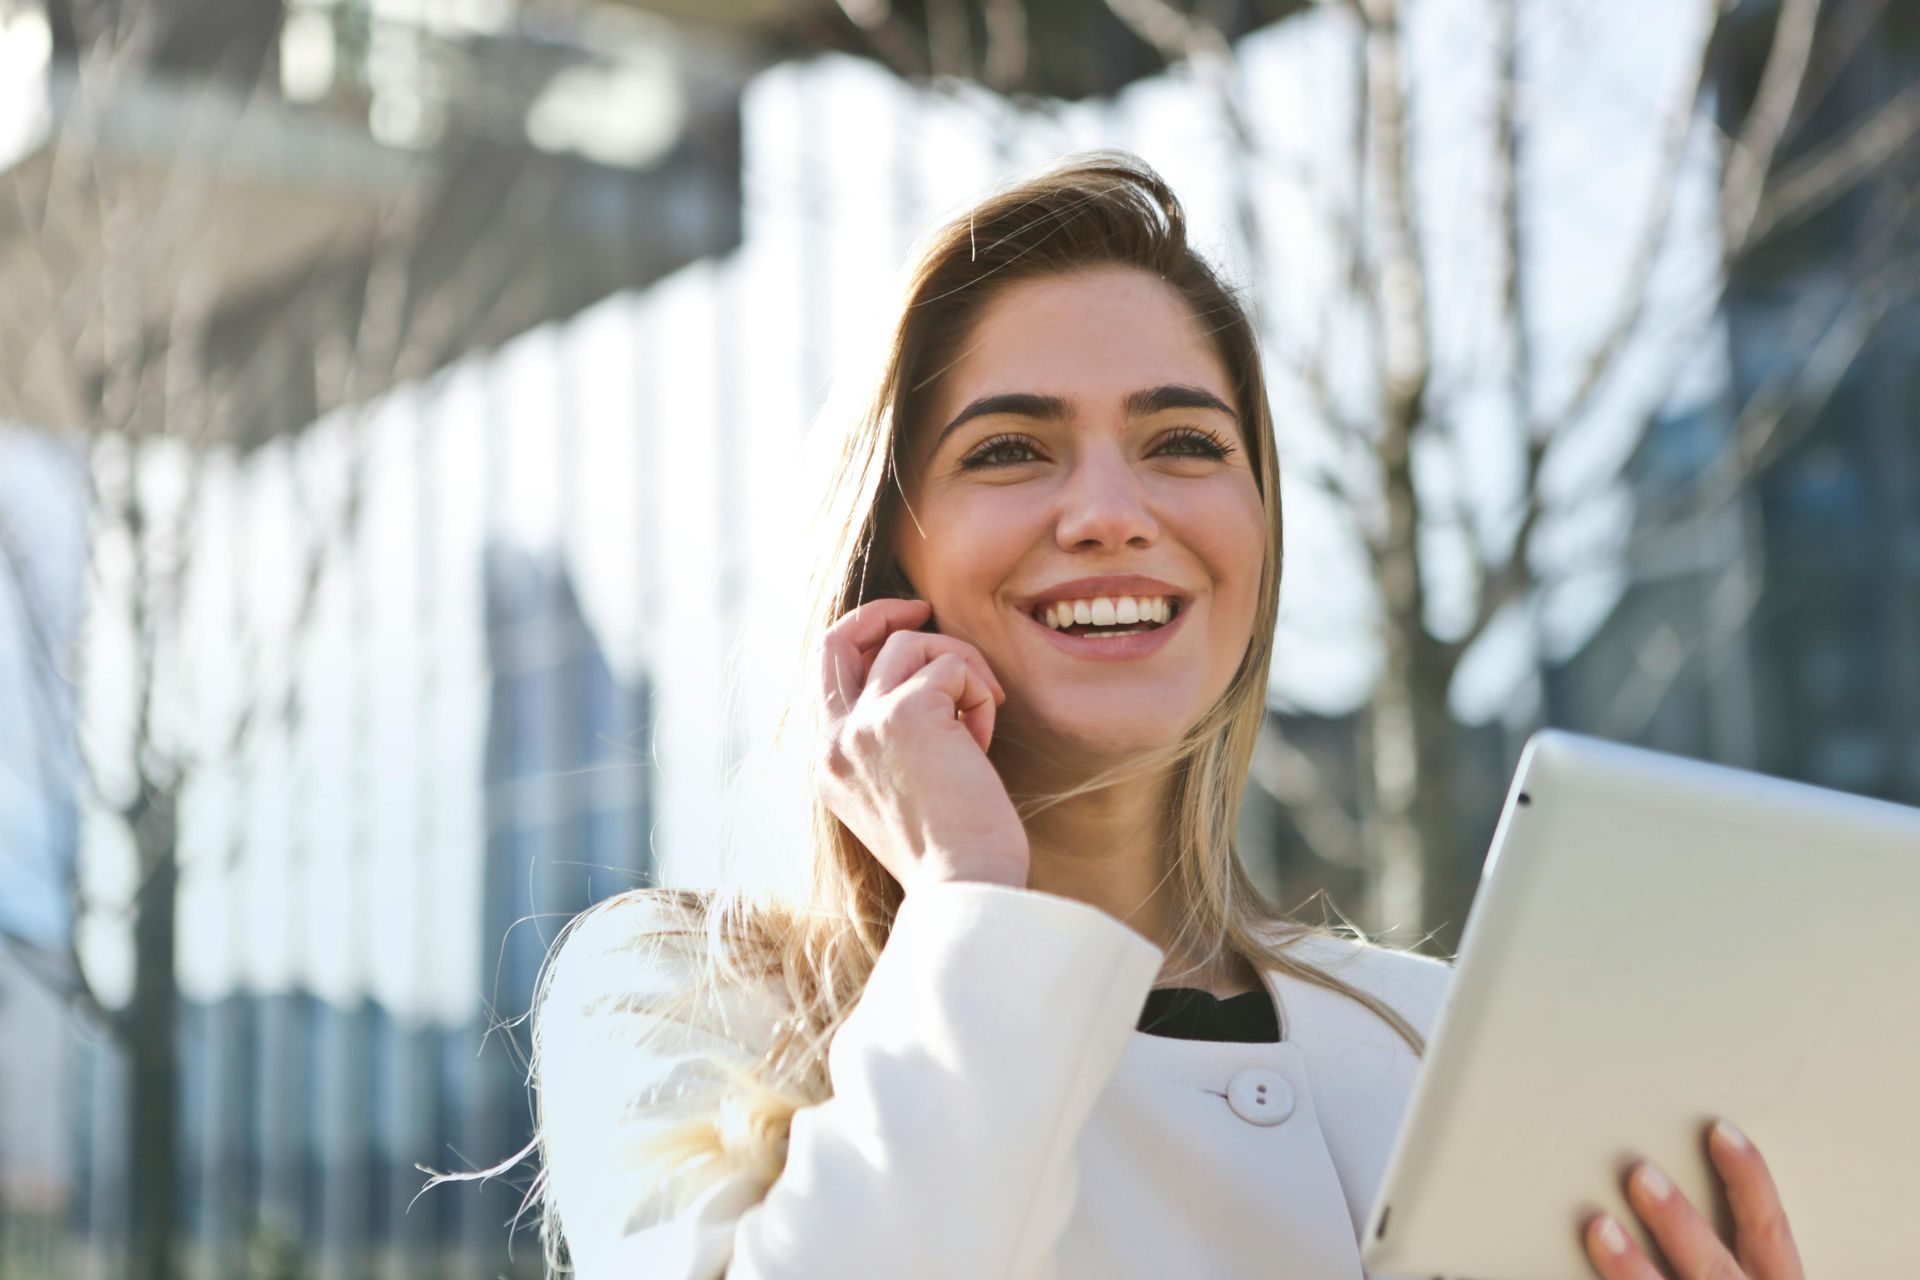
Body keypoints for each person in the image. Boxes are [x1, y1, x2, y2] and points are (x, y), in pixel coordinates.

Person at [528, 152, 1804, 1280]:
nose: (1111, 511)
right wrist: (975, 897)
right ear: (886, 557)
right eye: (1011, 449)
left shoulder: (1435, 1035)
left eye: (1185, 442)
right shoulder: (672, 999)